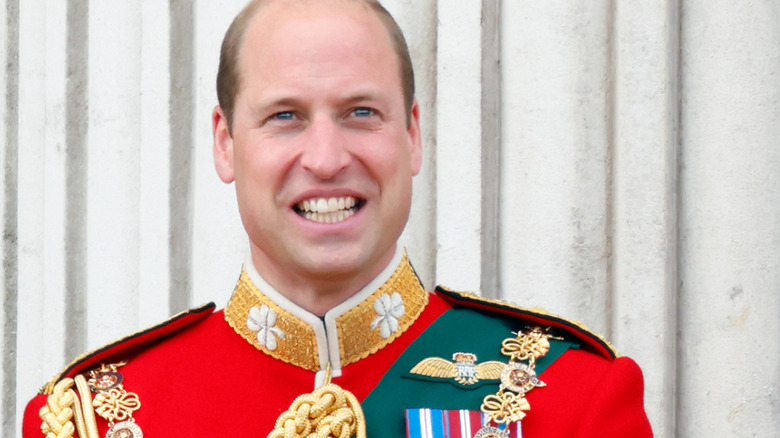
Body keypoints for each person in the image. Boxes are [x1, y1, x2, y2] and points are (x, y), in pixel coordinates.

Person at [23, 1, 653, 437]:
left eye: (360, 113)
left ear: (412, 135)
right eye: (285, 116)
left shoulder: (572, 398)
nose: (325, 159)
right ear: (225, 144)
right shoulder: (93, 417)